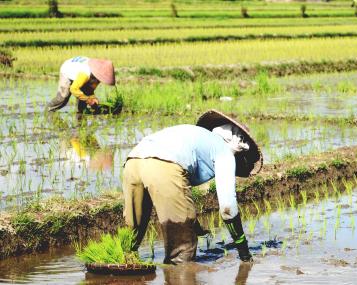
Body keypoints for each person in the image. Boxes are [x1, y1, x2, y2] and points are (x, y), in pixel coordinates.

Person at [122, 109, 263, 264]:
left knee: (131, 236)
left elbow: (176, 196)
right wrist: (243, 251)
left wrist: (192, 224)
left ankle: (122, 269)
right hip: (165, 165)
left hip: (133, 160)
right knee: (182, 250)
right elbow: (228, 208)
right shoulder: (225, 153)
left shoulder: (197, 135)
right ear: (239, 147)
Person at [47, 56, 115, 113]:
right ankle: (48, 110)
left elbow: (90, 90)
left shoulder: (97, 75)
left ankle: (79, 115)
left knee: (83, 100)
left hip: (79, 72)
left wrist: (93, 98)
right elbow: (73, 89)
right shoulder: (85, 73)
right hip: (67, 70)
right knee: (63, 98)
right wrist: (89, 100)